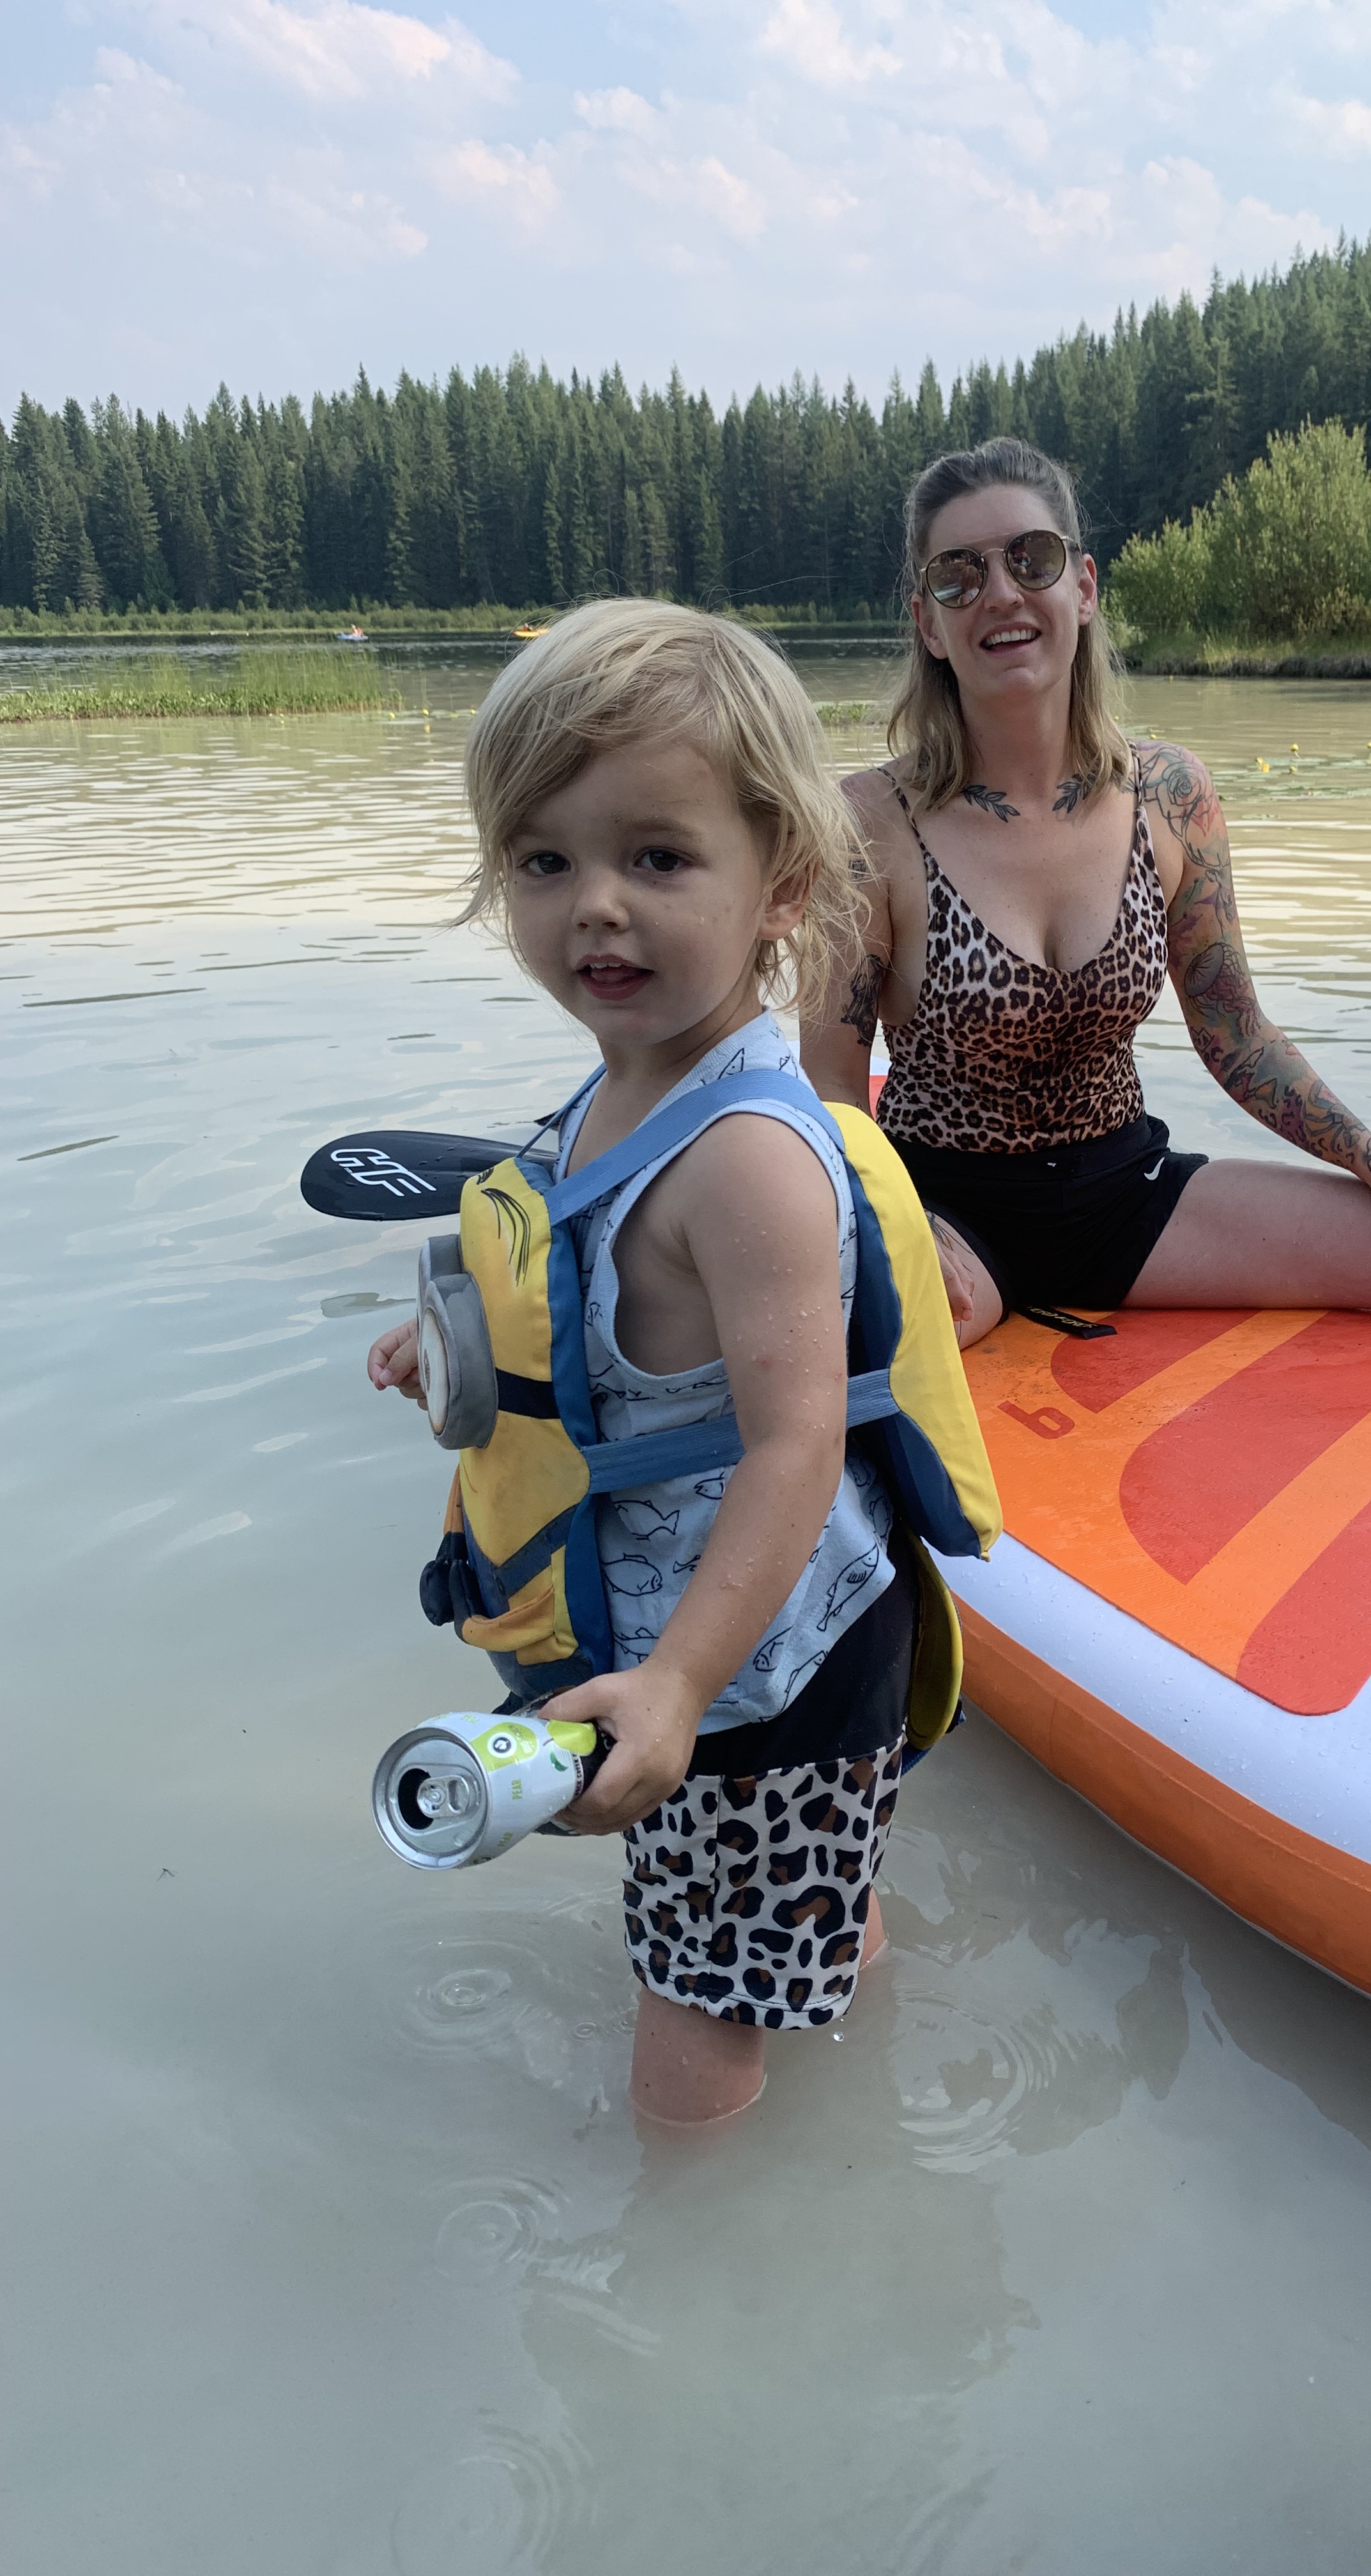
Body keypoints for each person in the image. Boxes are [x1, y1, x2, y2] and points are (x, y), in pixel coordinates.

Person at [367, 600, 935, 2126]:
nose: (595, 908)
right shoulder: (624, 1085)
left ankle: (694, 2250)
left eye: (659, 858)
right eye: (544, 861)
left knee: (691, 2001)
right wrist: (457, 1347)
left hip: (752, 1668)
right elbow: (599, 1309)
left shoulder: (744, 1157)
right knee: (797, 1903)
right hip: (753, 1652)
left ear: (783, 883)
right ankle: (858, 2045)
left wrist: (680, 1684)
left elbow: (794, 1444)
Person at [803, 437, 1371, 1405]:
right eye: (959, 574)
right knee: (871, 1351)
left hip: (1128, 1196)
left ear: (1083, 587)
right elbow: (832, 1091)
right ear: (928, 621)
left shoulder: (1171, 794)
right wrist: (895, 1226)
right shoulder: (868, 822)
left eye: (1031, 559)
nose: (1000, 593)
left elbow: (1235, 1034)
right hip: (946, 1209)